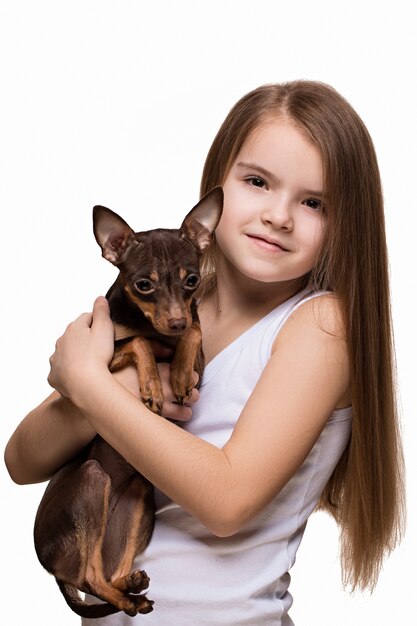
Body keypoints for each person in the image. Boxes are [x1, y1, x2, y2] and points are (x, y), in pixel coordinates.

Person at [4, 80, 405, 625]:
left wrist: (91, 382)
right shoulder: (168, 308)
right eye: (258, 182)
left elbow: (225, 502)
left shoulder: (319, 325)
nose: (279, 215)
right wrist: (105, 385)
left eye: (314, 202)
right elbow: (21, 462)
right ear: (216, 193)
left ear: (346, 224)